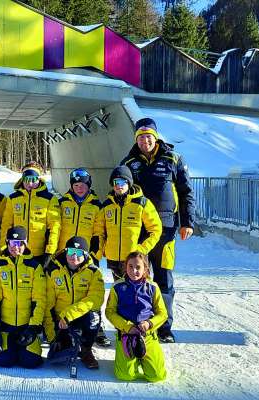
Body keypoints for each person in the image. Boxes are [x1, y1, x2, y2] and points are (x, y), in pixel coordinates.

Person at [120, 117, 196, 343]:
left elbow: (186, 192)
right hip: (139, 229)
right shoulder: (129, 161)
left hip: (166, 229)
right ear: (136, 139)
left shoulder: (173, 158)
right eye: (141, 137)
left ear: (155, 136)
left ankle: (163, 327)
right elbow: (120, 192)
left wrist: (187, 222)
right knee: (137, 276)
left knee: (163, 278)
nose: (145, 141)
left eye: (148, 136)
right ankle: (136, 322)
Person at [57, 167, 110, 347]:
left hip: (86, 257)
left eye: (83, 185)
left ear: (89, 185)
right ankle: (59, 322)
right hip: (65, 255)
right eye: (76, 185)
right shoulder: (62, 202)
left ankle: (96, 325)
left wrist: (95, 255)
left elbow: (99, 232)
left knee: (90, 290)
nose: (79, 188)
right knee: (64, 289)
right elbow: (56, 228)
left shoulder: (96, 205)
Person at [0, 226, 46, 369]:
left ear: (26, 244)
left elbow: (39, 299)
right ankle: (11, 346)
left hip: (26, 325)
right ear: (7, 243)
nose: (16, 247)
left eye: (20, 243)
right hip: (6, 325)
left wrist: (33, 327)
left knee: (30, 362)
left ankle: (29, 345)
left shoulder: (34, 267)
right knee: (3, 361)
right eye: (13, 243)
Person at [105, 251, 168, 382]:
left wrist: (149, 324)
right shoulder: (117, 287)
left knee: (157, 376)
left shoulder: (152, 287)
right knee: (125, 375)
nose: (134, 271)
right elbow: (109, 312)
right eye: (130, 266)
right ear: (125, 267)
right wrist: (127, 326)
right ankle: (132, 359)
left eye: (138, 267)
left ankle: (145, 358)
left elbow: (163, 313)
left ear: (145, 268)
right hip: (126, 335)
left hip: (147, 335)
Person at [44, 237, 104, 371]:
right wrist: (51, 336)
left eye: (79, 252)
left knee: (94, 317)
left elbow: (95, 299)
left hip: (81, 316)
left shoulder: (94, 272)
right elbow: (47, 304)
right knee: (60, 354)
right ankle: (65, 340)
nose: (74, 256)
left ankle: (86, 350)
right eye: (71, 251)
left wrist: (69, 314)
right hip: (61, 320)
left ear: (85, 254)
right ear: (65, 252)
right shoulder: (53, 270)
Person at [94, 166, 162, 282]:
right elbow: (99, 231)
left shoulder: (142, 203)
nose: (119, 185)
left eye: (122, 181)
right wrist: (100, 251)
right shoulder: (107, 205)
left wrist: (142, 249)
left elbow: (156, 229)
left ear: (129, 183)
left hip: (136, 259)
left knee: (140, 292)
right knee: (120, 292)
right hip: (114, 259)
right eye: (116, 182)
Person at [0, 161, 60, 262]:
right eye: (26, 179)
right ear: (22, 180)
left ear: (39, 179)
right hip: (17, 251)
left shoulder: (49, 199)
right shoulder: (13, 198)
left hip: (39, 253)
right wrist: (4, 247)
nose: (30, 183)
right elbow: (6, 225)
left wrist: (50, 251)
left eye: (33, 179)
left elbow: (55, 227)